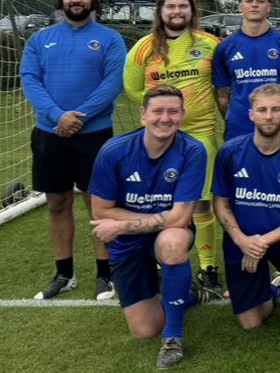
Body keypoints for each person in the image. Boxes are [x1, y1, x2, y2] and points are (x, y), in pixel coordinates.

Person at [87, 85, 209, 370]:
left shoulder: (193, 151)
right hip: (128, 243)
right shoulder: (113, 152)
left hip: (156, 233)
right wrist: (156, 219)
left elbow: (180, 219)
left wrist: (125, 225)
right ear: (143, 114)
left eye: (173, 112)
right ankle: (184, 290)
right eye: (157, 111)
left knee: (173, 241)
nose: (165, 119)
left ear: (182, 115)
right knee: (144, 330)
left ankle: (173, 338)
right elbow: (101, 211)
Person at [21, 0, 125, 301]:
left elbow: (113, 82)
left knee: (98, 204)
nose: (76, 0)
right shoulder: (41, 39)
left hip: (93, 134)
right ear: (62, 1)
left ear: (93, 1)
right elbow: (30, 79)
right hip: (50, 133)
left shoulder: (110, 39)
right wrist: (57, 116)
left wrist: (77, 117)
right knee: (57, 203)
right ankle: (65, 274)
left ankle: (105, 275)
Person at [124, 0, 226, 299]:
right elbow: (131, 89)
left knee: (201, 203)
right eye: (171, 7)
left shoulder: (211, 45)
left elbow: (224, 87)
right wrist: (165, 116)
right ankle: (157, 267)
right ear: (161, 11)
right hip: (160, 138)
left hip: (201, 135)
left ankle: (209, 269)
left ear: (192, 11)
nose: (177, 12)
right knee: (159, 202)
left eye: (183, 7)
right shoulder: (143, 48)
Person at [211, 84, 280, 355]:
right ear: (251, 115)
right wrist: (242, 240)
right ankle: (274, 287)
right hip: (242, 242)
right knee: (251, 322)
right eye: (262, 110)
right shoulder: (230, 153)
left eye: (275, 109)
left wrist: (262, 242)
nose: (268, 115)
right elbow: (220, 203)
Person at [213, 0, 280, 142]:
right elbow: (223, 98)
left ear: (269, 7)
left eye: (260, 0)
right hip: (238, 131)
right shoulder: (224, 48)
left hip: (279, 131)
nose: (254, 5)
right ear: (240, 7)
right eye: (248, 0)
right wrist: (237, 118)